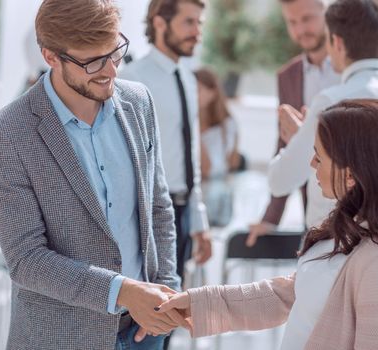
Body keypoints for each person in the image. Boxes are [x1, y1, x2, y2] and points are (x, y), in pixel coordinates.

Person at [0, 1, 186, 349]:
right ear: (51, 57)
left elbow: (158, 208)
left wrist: (166, 289)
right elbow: (26, 259)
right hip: (61, 337)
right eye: (92, 61)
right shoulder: (7, 135)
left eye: (114, 52)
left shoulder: (139, 103)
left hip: (144, 331)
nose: (111, 71)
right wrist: (122, 291)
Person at [157, 99, 378, 350]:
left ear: (350, 174)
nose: (312, 163)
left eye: (319, 155)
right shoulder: (349, 231)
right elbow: (289, 295)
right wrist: (195, 303)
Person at [247, 0, 378, 247]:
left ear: (336, 42)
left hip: (336, 243)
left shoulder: (330, 101)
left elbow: (280, 180)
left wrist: (301, 138)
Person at [119, 1, 211, 348]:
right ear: (160, 22)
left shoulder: (187, 77)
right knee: (145, 315)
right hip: (151, 214)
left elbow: (188, 152)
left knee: (171, 313)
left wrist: (199, 221)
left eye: (199, 23)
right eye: (189, 22)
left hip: (183, 213)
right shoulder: (132, 79)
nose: (197, 32)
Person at [195, 68, 245, 227]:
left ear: (212, 93)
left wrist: (193, 127)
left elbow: (208, 168)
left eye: (199, 89)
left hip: (212, 194)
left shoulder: (226, 126)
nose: (194, 93)